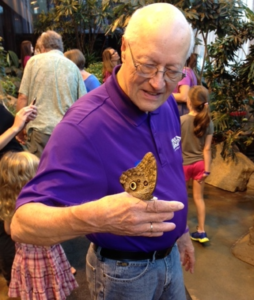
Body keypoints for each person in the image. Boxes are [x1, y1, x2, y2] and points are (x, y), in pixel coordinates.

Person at [11, 4, 195, 300]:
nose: (158, 83)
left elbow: (170, 169)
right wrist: (96, 217)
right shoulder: (84, 125)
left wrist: (181, 231)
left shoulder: (167, 103)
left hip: (170, 258)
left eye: (173, 70)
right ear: (124, 48)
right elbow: (22, 224)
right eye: (147, 65)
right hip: (125, 273)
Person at [0, 152, 78, 300]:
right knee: (50, 277)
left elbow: (8, 230)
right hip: (45, 252)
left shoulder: (11, 204)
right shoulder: (38, 202)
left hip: (26, 256)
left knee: (36, 285)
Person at [16, 30, 86, 158]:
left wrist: (19, 128)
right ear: (60, 47)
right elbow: (83, 104)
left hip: (40, 131)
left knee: (39, 174)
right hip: (66, 132)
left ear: (42, 47)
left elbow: (22, 97)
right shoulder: (73, 67)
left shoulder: (33, 62)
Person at [0, 99, 37, 286]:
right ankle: (13, 278)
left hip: (13, 169)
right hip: (8, 172)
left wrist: (19, 127)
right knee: (7, 230)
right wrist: (14, 128)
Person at [180, 85, 214, 243]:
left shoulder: (181, 121)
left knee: (182, 198)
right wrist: (207, 170)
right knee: (199, 198)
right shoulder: (209, 122)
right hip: (200, 165)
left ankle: (182, 229)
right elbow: (207, 149)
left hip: (183, 166)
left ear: (189, 102)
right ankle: (201, 231)